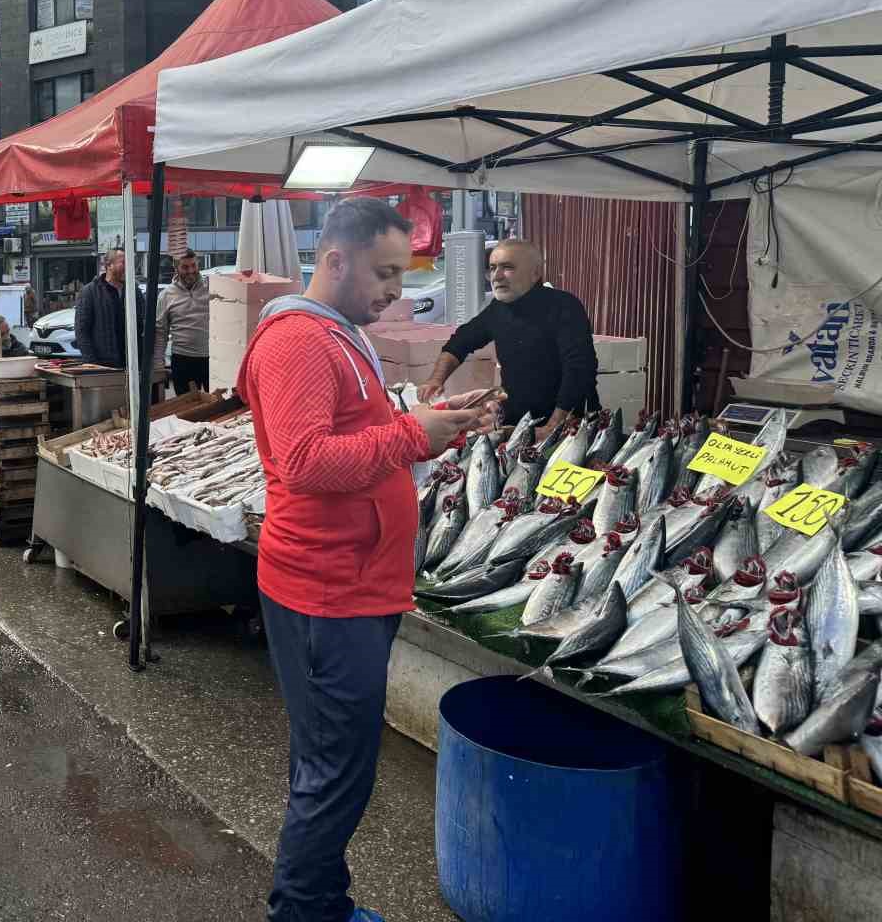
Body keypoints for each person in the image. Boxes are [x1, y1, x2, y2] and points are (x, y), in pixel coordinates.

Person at [238, 199, 490, 922]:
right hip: (326, 591)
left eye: (401, 274)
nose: (394, 290)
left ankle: (322, 900)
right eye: (383, 272)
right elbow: (307, 459)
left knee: (327, 765)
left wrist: (428, 422)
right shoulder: (298, 342)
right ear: (335, 260)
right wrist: (413, 435)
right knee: (336, 775)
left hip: (356, 586)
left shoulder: (340, 336)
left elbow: (357, 431)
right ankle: (302, 912)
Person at [417, 238, 599, 438]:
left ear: (535, 273)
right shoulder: (499, 309)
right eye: (493, 268)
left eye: (507, 267)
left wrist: (552, 427)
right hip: (517, 424)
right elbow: (461, 341)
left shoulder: (564, 306)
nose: (497, 276)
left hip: (567, 429)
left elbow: (579, 370)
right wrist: (435, 380)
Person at [153, 253, 210, 394]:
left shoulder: (211, 288)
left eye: (193, 265)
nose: (190, 271)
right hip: (183, 360)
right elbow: (161, 332)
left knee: (219, 407)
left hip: (212, 358)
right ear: (176, 268)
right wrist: (159, 366)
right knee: (185, 409)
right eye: (185, 267)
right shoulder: (166, 295)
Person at [74, 246, 129, 367]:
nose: (127, 267)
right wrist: (91, 363)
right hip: (103, 364)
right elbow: (81, 330)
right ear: (109, 265)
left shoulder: (133, 291)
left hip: (131, 364)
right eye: (123, 263)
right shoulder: (90, 292)